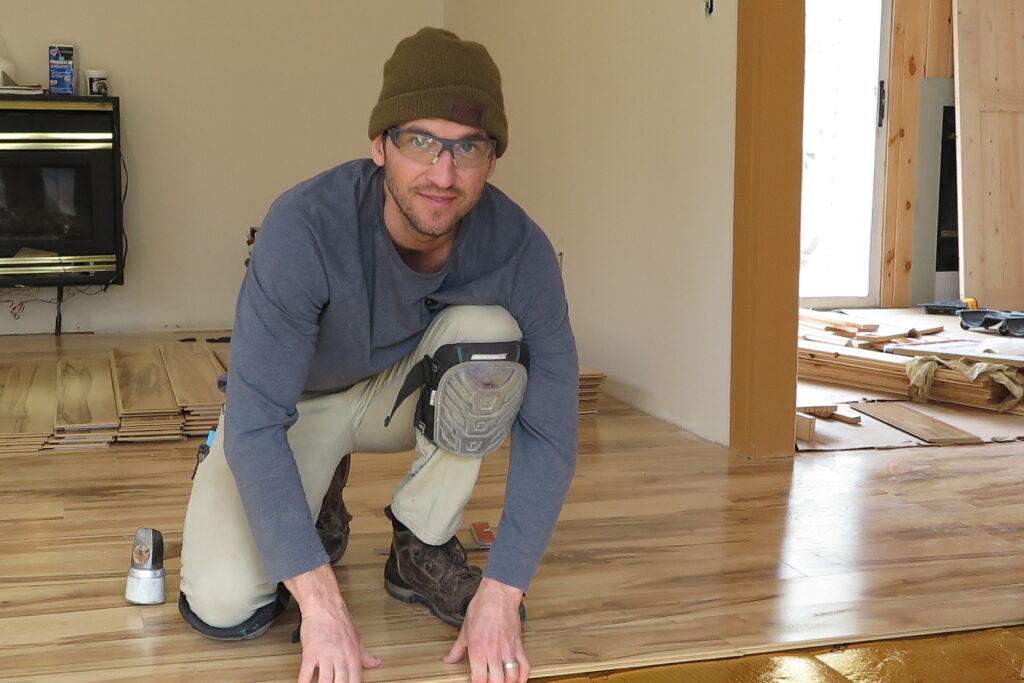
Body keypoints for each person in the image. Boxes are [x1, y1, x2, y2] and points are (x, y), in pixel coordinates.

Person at [176, 26, 578, 683]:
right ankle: (319, 497)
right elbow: (255, 420)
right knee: (224, 602)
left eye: (467, 147)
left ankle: (421, 539)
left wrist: (503, 591)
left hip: (399, 395)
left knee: (490, 333)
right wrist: (320, 601)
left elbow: (552, 433)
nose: (443, 174)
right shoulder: (304, 226)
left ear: (492, 159)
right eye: (420, 141)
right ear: (380, 145)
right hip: (296, 408)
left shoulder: (521, 249)